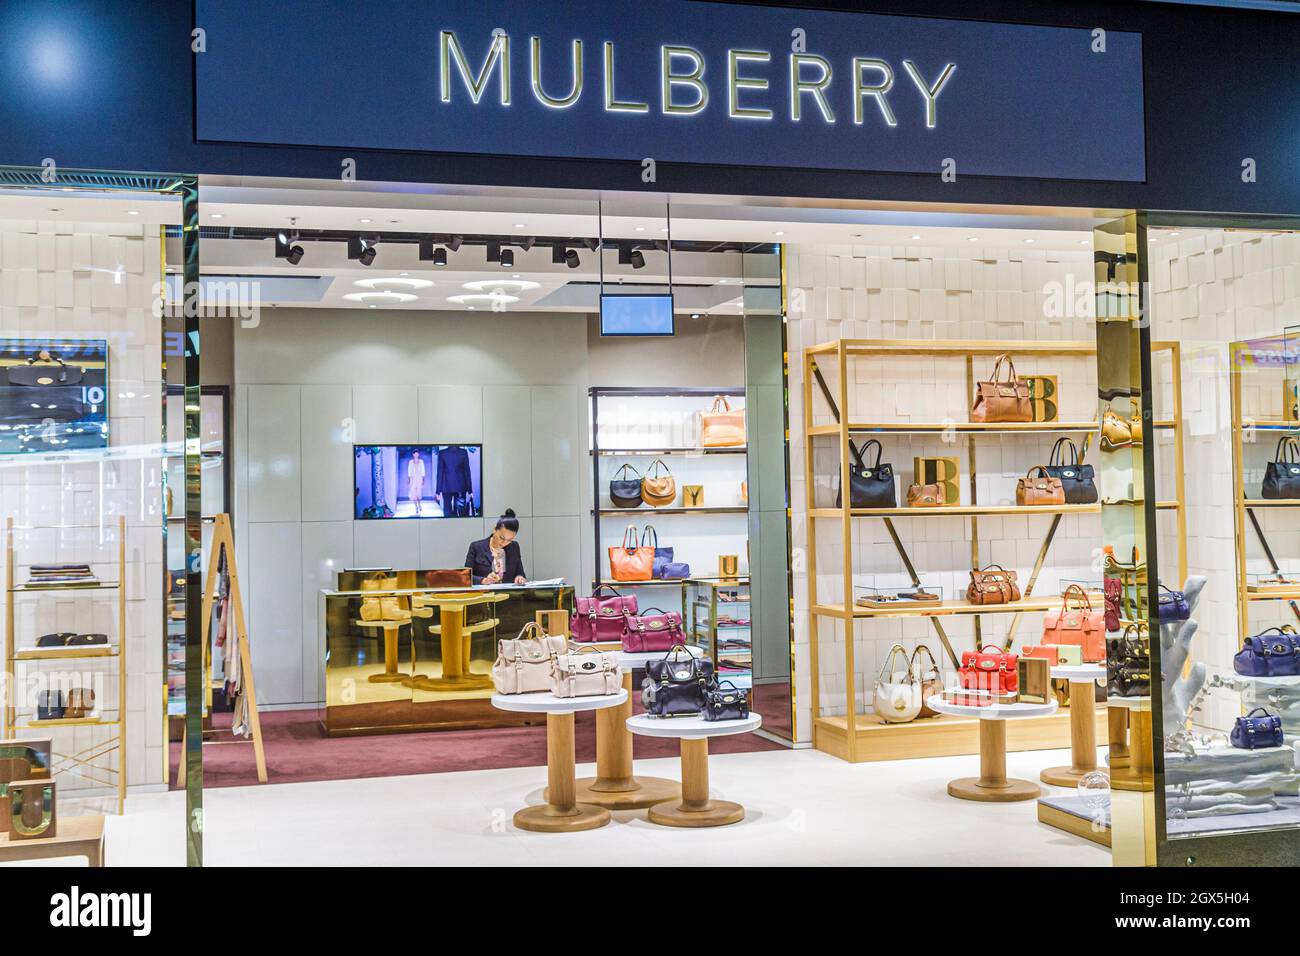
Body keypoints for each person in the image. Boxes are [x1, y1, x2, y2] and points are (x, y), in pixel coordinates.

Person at [465, 509, 526, 585]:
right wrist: (483, 580)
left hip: (508, 594)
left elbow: (520, 573)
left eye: (509, 540)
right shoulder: (476, 547)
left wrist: (519, 578)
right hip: (485, 594)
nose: (504, 543)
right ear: (494, 530)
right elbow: (466, 576)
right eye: (501, 538)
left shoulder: (514, 547)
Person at [406, 449, 426, 516]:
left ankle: (419, 504)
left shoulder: (421, 461)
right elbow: (409, 471)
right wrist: (408, 480)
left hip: (419, 478)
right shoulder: (411, 462)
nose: (416, 455)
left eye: (417, 454)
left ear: (418, 454)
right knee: (413, 494)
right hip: (412, 479)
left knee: (418, 494)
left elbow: (423, 470)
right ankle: (416, 507)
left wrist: (423, 479)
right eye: (415, 454)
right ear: (413, 454)